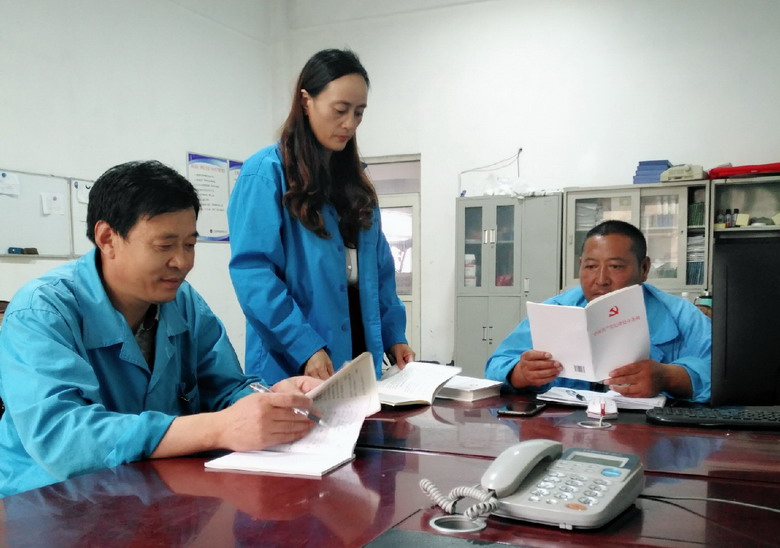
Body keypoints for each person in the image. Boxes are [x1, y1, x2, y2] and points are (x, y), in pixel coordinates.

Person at [0, 161, 320, 497]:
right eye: (165, 246)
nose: (182, 262)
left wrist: (272, 400)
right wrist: (215, 428)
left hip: (153, 491)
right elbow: (62, 437)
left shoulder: (183, 302)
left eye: (190, 245)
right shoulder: (42, 311)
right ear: (107, 238)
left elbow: (224, 388)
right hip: (49, 502)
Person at [227, 48, 414, 384]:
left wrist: (393, 335)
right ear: (306, 101)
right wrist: (305, 346)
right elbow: (254, 275)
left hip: (359, 354)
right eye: (340, 110)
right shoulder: (266, 173)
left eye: (359, 113)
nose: (349, 124)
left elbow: (380, 274)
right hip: (293, 362)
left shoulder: (356, 183)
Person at [486, 220, 711, 403]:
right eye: (591, 266)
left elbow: (721, 374)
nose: (601, 280)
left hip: (649, 434)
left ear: (644, 269)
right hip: (567, 429)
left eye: (616, 266)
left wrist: (668, 377)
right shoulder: (557, 310)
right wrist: (521, 373)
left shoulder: (681, 315)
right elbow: (496, 365)